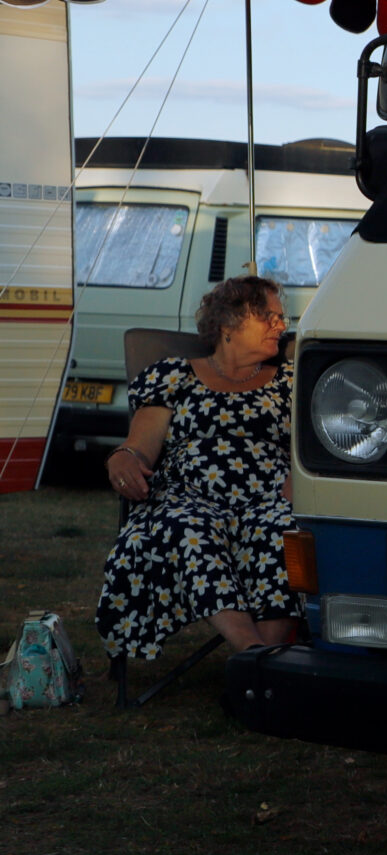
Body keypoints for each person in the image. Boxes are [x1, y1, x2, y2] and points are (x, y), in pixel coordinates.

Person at [95, 274, 298, 660]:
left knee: (285, 531)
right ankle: (256, 654)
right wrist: (124, 459)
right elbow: (140, 446)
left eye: (281, 318)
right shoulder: (175, 376)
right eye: (269, 317)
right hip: (188, 498)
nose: (281, 326)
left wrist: (297, 480)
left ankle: (265, 661)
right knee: (186, 530)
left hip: (271, 498)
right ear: (228, 323)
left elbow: (311, 450)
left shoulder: (291, 382)